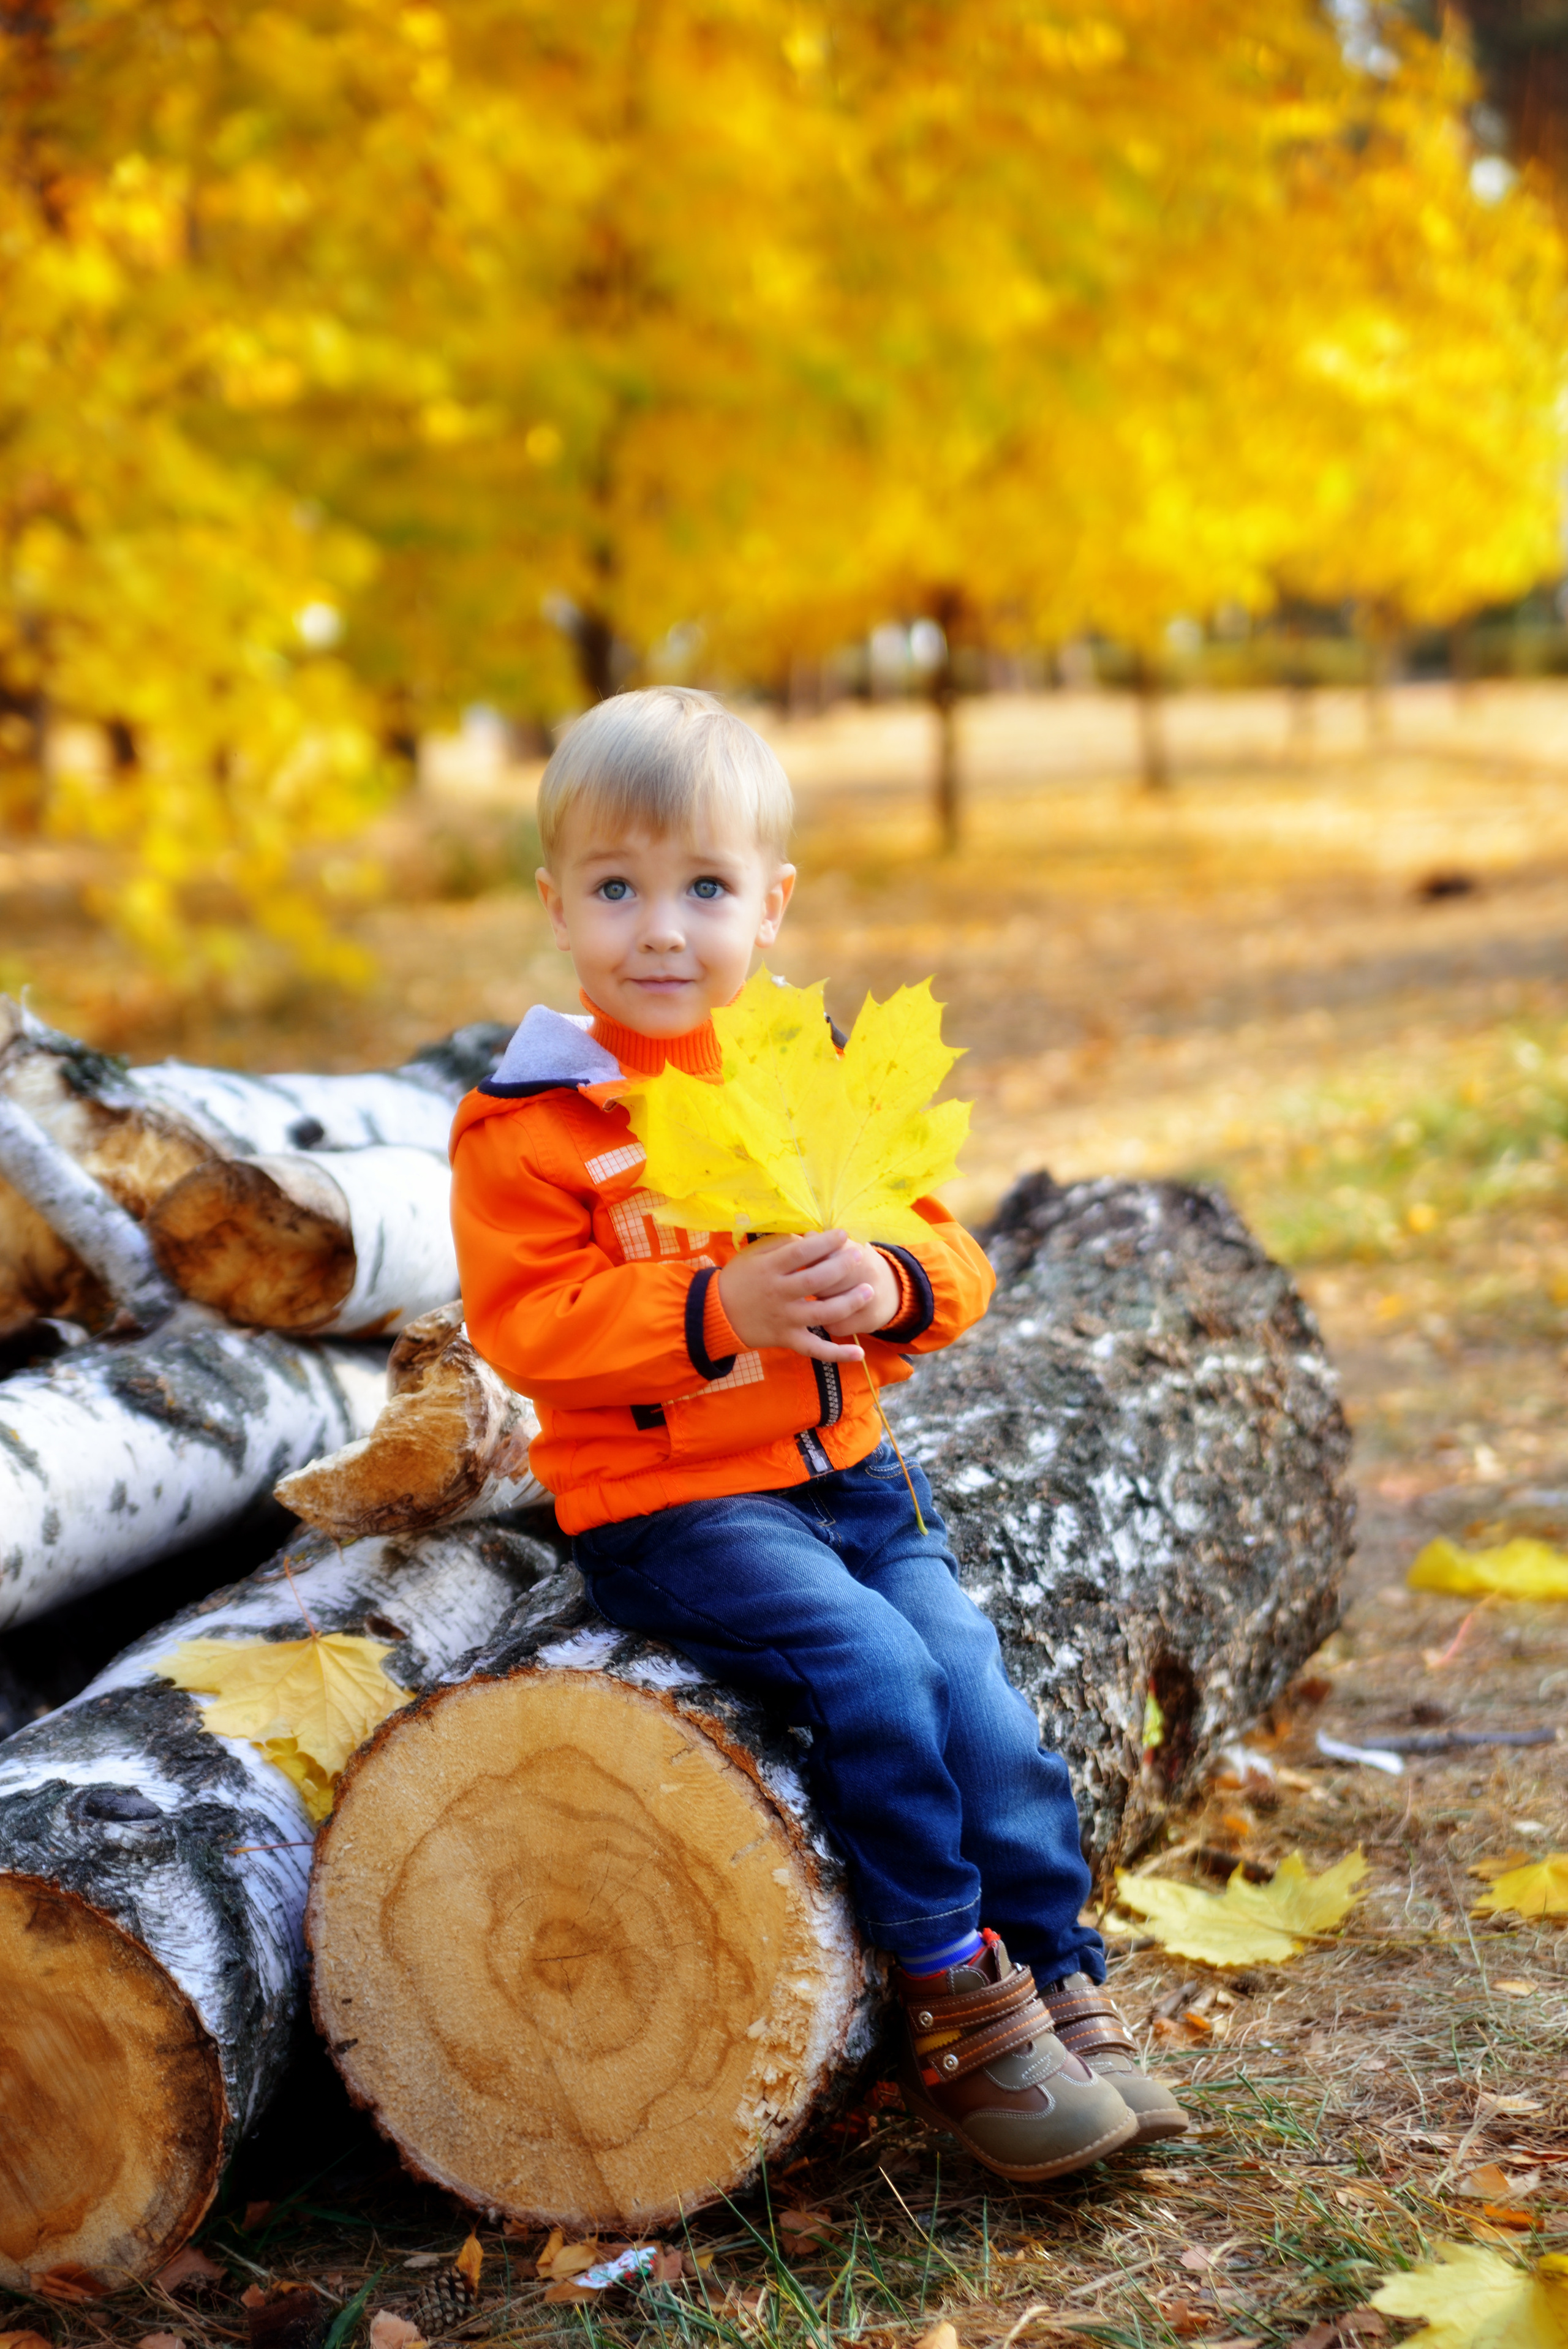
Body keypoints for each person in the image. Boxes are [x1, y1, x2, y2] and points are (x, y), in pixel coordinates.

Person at [450, 685, 1187, 2179]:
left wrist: (895, 1279)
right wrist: (713, 1309)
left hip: (851, 1480)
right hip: (670, 1509)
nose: (663, 929)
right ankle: (953, 1997)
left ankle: (1056, 1969)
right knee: (874, 1670)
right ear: (556, 905)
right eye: (617, 888)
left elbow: (950, 1257)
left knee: (978, 1696)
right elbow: (526, 1327)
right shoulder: (531, 1123)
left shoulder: (801, 1091)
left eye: (705, 888)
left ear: (770, 905)